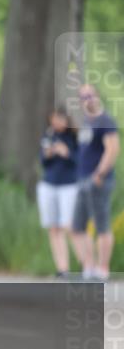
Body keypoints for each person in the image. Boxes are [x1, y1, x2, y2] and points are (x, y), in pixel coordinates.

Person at [71, 84, 120, 281]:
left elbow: (112, 149)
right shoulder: (86, 122)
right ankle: (89, 266)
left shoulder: (105, 120)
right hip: (82, 180)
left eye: (90, 95)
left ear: (97, 96)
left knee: (102, 226)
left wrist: (99, 174)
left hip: (98, 180)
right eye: (83, 97)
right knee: (77, 227)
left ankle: (102, 268)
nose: (87, 100)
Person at [37, 106, 79, 279]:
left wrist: (66, 153)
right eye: (53, 119)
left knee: (70, 226)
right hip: (49, 184)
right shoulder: (48, 136)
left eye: (60, 118)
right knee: (54, 228)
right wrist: (48, 154)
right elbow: (43, 162)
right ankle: (63, 269)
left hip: (69, 185)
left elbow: (80, 162)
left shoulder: (74, 137)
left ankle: (87, 264)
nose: (56, 122)